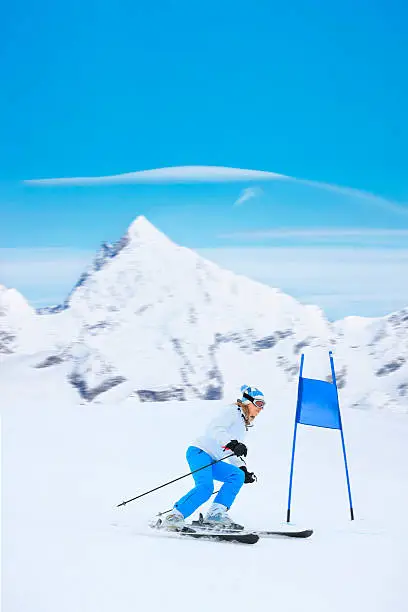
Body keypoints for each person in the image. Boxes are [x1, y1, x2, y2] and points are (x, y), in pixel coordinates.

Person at [162, 385, 265, 530]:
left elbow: (232, 451)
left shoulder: (242, 424)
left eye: (263, 405)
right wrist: (232, 443)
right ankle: (174, 516)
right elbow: (214, 429)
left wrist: (243, 469)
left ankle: (215, 514)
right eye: (259, 403)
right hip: (199, 451)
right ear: (248, 401)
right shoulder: (232, 411)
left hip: (213, 459)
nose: (261, 408)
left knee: (237, 475)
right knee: (206, 487)